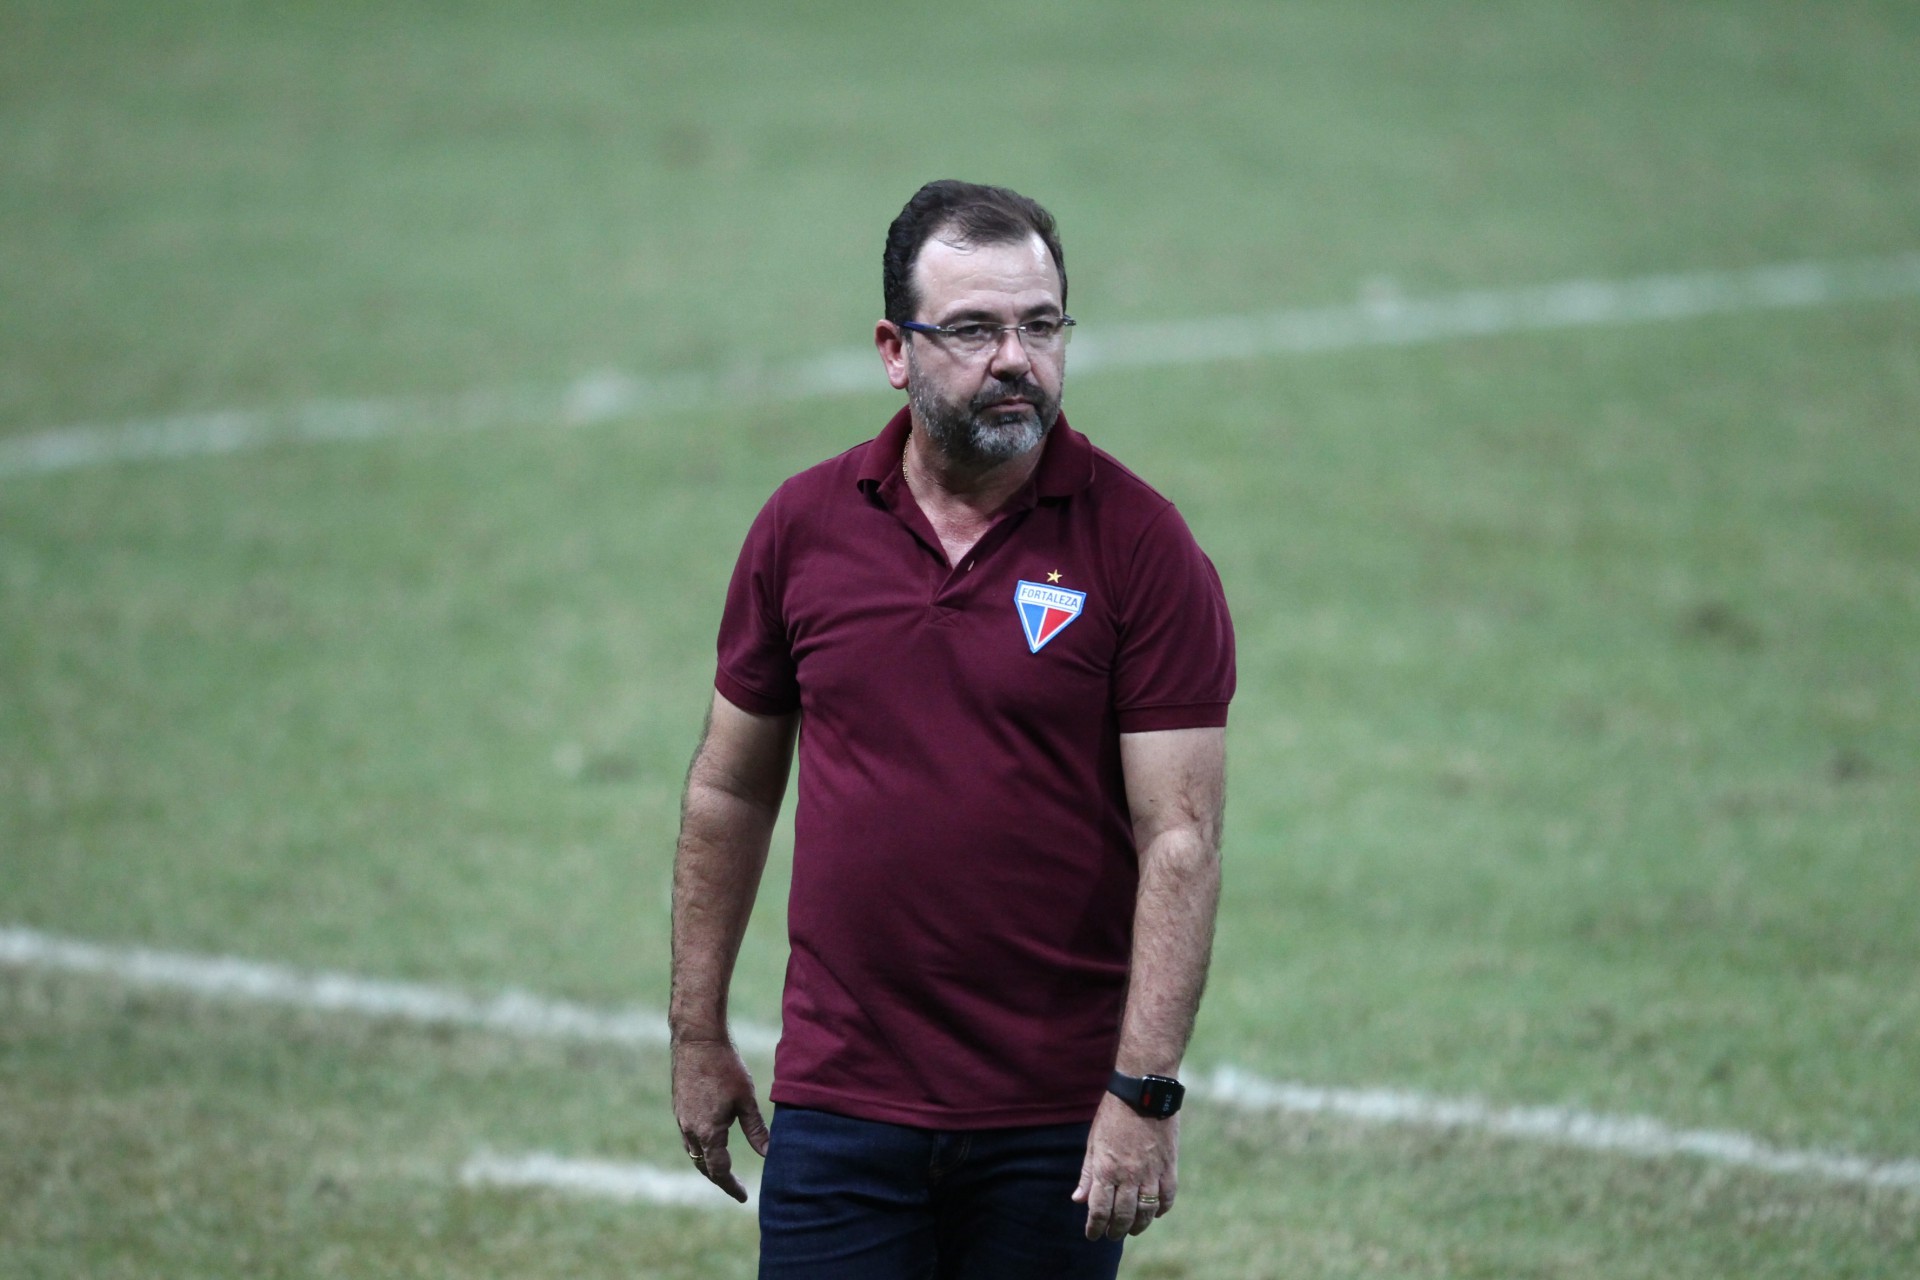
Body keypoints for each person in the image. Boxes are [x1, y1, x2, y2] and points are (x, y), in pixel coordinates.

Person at [670, 179, 1235, 1279]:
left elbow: (1182, 837)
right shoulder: (803, 528)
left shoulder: (1142, 547)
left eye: (1041, 325)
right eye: (975, 330)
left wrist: (1144, 1091)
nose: (1017, 358)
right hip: (839, 1106)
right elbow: (729, 788)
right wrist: (696, 1032)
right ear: (895, 350)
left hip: (1053, 1126)